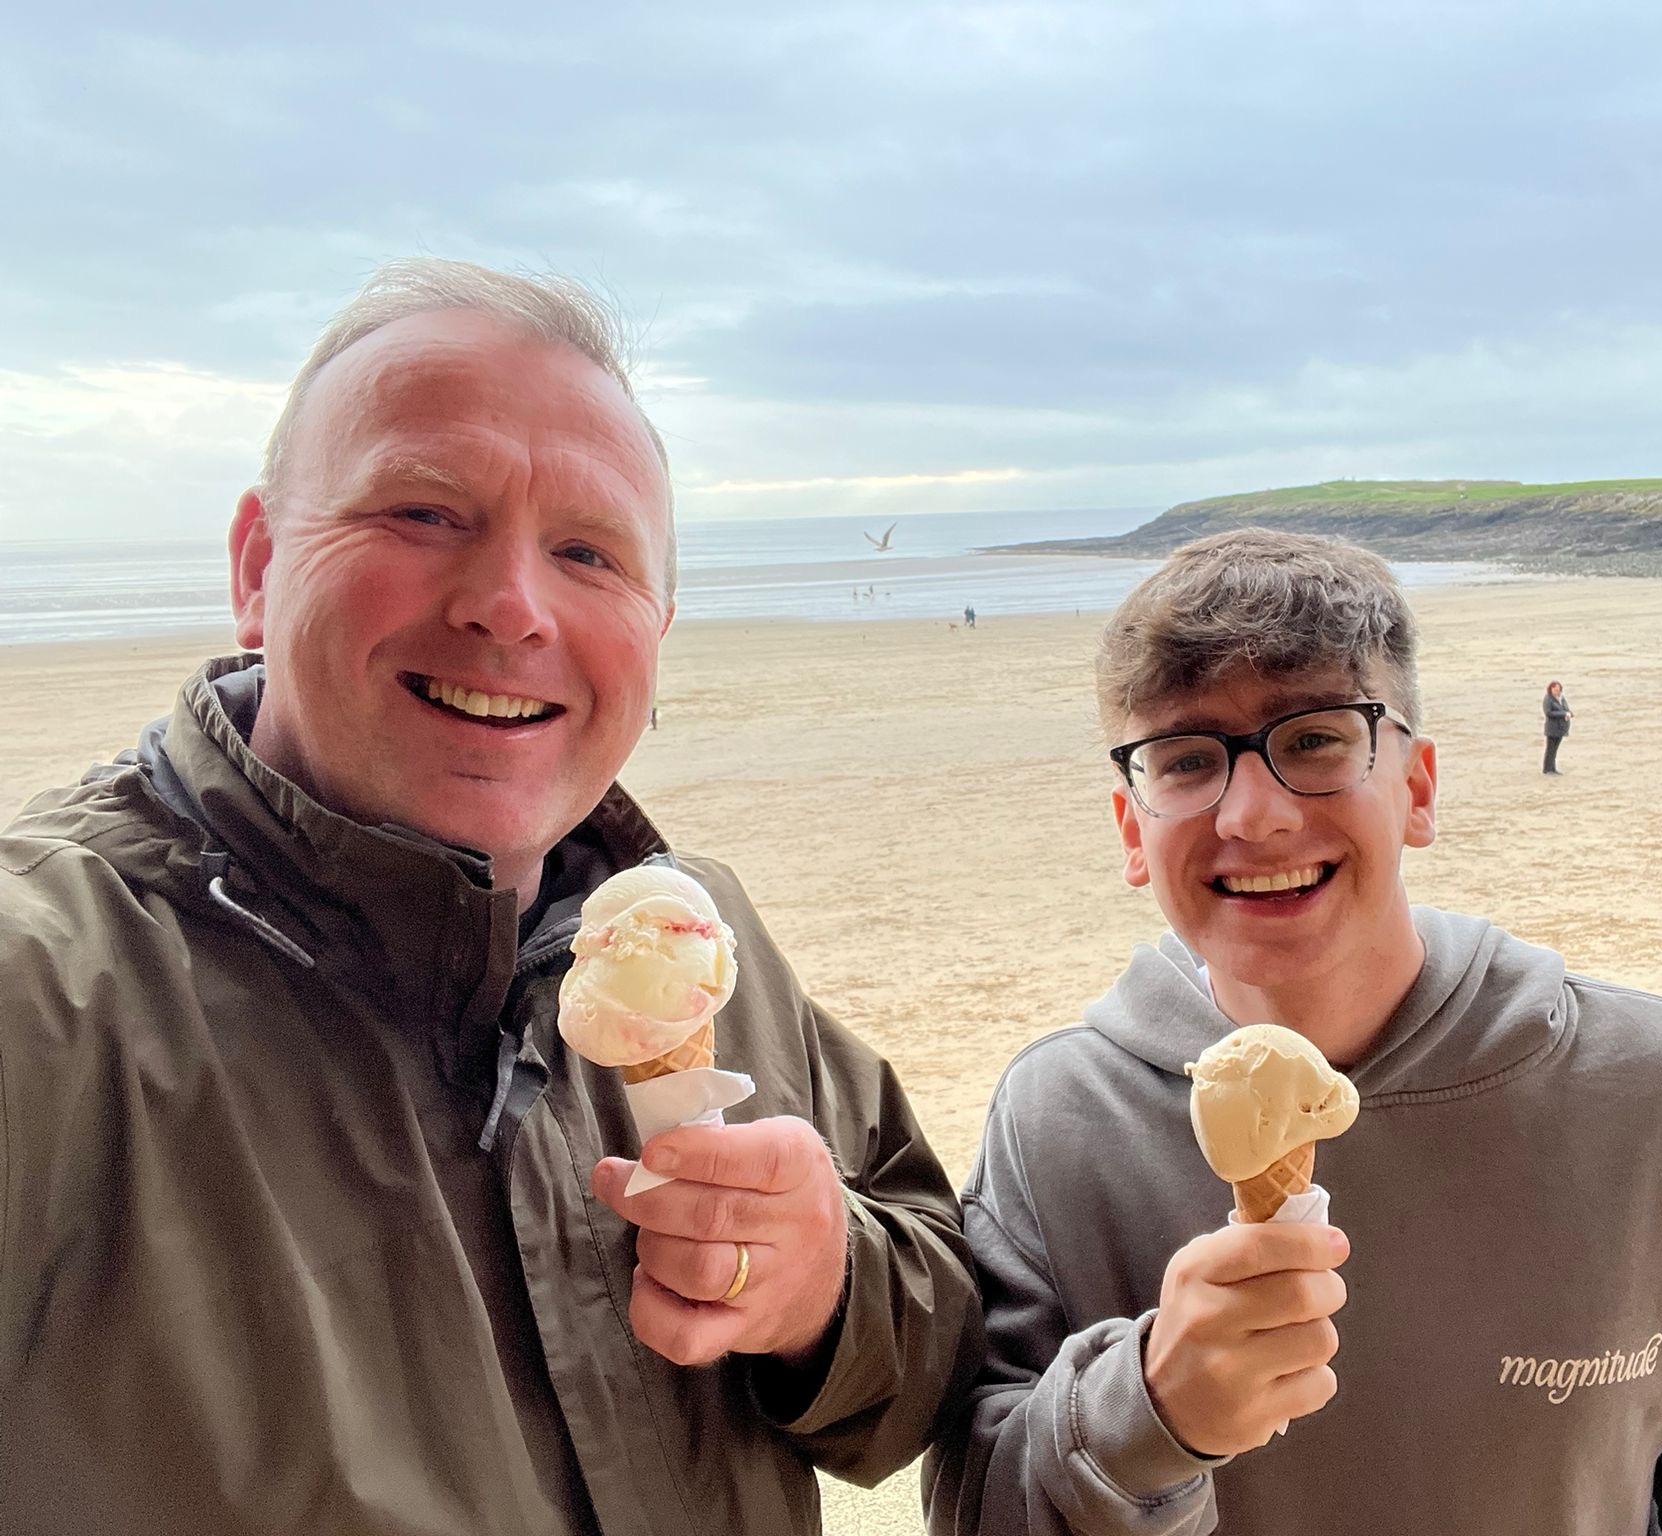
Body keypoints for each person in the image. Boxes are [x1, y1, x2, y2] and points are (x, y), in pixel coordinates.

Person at [0, 259, 981, 1535]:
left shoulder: (694, 935)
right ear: (258, 566)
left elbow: (938, 1344)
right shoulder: (44, 996)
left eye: (587, 552)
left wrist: (825, 1290)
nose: (511, 608)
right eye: (423, 512)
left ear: (656, 627)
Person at [926, 529, 1662, 1534]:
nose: (1253, 815)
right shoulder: (1054, 1123)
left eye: (1314, 739)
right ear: (1133, 832)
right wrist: (1144, 1420)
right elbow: (976, 1506)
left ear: (1417, 788)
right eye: (1185, 760)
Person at [1543, 678, 1573, 774]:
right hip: (1552, 729)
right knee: (1550, 750)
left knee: (1555, 750)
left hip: (1561, 728)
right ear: (1551, 689)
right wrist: (1563, 714)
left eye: (1558, 690)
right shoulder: (1548, 699)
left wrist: (1569, 714)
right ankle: (1547, 769)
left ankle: (1553, 768)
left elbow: (1567, 709)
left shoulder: (1561, 698)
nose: (1557, 692)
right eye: (1555, 690)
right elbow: (1548, 713)